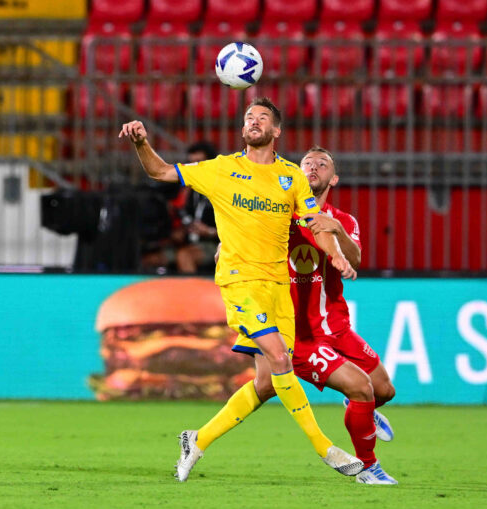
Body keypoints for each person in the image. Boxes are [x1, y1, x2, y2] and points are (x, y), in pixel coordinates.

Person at [119, 97, 362, 482]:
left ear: (276, 131)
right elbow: (162, 172)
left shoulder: (291, 177)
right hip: (239, 282)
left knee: (267, 383)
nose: (253, 120)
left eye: (263, 117)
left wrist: (335, 256)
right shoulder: (221, 169)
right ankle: (325, 448)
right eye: (249, 116)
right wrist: (140, 144)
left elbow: (317, 225)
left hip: (277, 288)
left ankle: (197, 439)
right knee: (282, 361)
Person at [216, 146, 399, 485]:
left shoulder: (344, 221)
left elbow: (355, 260)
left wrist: (337, 231)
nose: (313, 167)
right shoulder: (278, 215)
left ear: (335, 177)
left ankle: (360, 408)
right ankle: (367, 467)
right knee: (362, 388)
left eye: (322, 163)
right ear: (297, 173)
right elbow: (238, 239)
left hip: (337, 326)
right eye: (307, 163)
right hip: (299, 336)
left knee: (383, 391)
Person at [174, 142, 220, 274]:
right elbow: (186, 217)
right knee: (152, 259)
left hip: (215, 244)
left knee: (184, 256)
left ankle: (193, 293)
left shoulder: (221, 188)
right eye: (191, 164)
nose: (195, 169)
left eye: (199, 163)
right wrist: (181, 231)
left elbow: (236, 228)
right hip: (189, 242)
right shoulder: (190, 191)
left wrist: (210, 231)